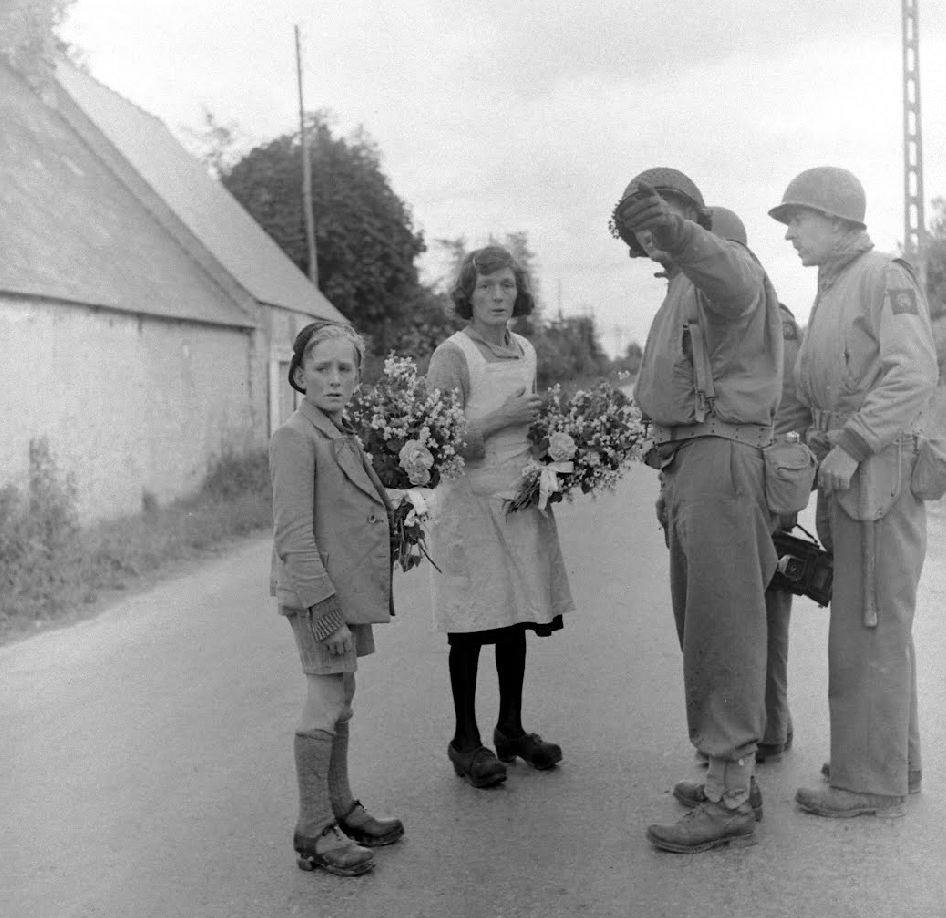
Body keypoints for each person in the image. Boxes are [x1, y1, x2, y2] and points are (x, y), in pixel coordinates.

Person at [610, 169, 783, 852]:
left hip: (719, 460)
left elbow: (727, 274)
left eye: (662, 223)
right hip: (691, 462)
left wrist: (675, 232)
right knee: (702, 624)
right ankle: (726, 774)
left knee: (723, 629)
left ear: (689, 218)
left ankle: (730, 798)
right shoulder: (681, 284)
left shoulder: (725, 266)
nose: (651, 242)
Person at [769, 166, 937, 817]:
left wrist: (854, 443)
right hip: (849, 473)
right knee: (872, 622)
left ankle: (867, 781)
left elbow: (913, 372)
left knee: (869, 622)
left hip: (875, 472)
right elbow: (810, 387)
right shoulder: (834, 287)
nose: (790, 234)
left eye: (798, 219)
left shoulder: (881, 276)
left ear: (838, 220)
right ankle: (894, 763)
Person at [659, 208, 809, 797]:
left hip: (757, 473)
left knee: (749, 617)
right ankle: (758, 736)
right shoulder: (712, 308)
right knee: (740, 614)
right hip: (740, 469)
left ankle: (758, 740)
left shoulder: (758, 311)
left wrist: (776, 485)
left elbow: (787, 403)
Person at [425, 245, 575, 789]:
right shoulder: (453, 355)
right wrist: (500, 418)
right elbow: (438, 441)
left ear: (519, 292)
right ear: (467, 294)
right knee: (470, 625)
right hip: (468, 506)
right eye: (485, 286)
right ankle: (465, 741)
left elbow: (530, 429)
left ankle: (510, 728)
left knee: (515, 618)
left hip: (519, 501)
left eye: (506, 285)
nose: (496, 296)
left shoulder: (525, 350)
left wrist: (555, 456)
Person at [270, 320, 404, 876]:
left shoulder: (336, 431)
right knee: (325, 697)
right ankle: (313, 827)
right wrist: (324, 612)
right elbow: (292, 534)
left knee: (343, 693)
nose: (333, 378)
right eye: (321, 368)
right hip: (316, 593)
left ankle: (340, 805)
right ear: (299, 375)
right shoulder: (295, 437)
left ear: (357, 377)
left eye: (344, 368)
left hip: (343, 586)